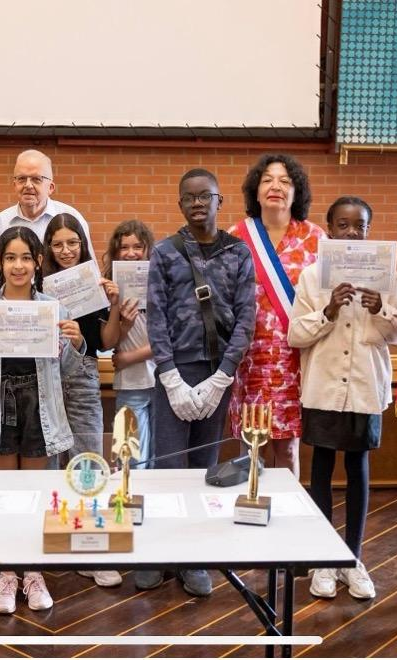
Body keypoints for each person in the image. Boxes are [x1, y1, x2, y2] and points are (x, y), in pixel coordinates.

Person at [0, 226, 85, 614]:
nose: (19, 265)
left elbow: (68, 369)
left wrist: (76, 343)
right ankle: (8, 572)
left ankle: (34, 573)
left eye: (26, 257)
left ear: (38, 262)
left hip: (39, 404)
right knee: (7, 496)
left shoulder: (53, 308)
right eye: (11, 258)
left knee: (37, 494)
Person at [138, 168, 256, 596]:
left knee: (205, 470)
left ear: (220, 200)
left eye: (205, 196)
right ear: (180, 204)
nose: (197, 203)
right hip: (175, 372)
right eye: (188, 197)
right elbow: (156, 314)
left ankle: (194, 560)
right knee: (168, 469)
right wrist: (169, 377)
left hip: (217, 374)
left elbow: (246, 318)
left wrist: (223, 376)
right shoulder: (166, 253)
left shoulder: (239, 253)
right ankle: (162, 554)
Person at [287, 197, 397, 600]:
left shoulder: (386, 277)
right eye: (343, 225)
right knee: (321, 467)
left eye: (360, 227)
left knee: (357, 467)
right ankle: (323, 560)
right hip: (323, 387)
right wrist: (327, 309)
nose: (352, 233)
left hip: (363, 388)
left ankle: (351, 558)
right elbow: (295, 336)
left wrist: (381, 312)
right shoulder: (310, 277)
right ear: (329, 229)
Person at [228, 154, 326, 480]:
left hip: (295, 359)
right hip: (250, 359)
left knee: (288, 448)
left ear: (297, 193)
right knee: (251, 444)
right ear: (255, 192)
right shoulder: (237, 238)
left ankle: (289, 517)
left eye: (285, 181)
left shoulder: (316, 239)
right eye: (268, 179)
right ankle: (250, 509)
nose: (276, 187)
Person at [42, 213, 123, 589]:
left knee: (88, 457)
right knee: (47, 463)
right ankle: (55, 542)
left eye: (72, 243)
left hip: (84, 373)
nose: (65, 251)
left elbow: (106, 341)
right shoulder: (37, 285)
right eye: (57, 244)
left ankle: (93, 549)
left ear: (82, 244)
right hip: (43, 378)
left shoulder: (93, 283)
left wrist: (114, 304)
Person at [103, 219, 157, 468]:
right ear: (115, 251)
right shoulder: (109, 287)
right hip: (130, 383)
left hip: (163, 382)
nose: (131, 253)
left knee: (158, 458)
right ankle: (127, 502)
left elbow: (172, 338)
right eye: (124, 247)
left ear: (148, 250)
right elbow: (108, 341)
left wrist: (129, 357)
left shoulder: (160, 282)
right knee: (129, 458)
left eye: (138, 246)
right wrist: (121, 321)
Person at [0, 149, 95, 257]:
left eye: (36, 179)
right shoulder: (1, 222)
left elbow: (89, 268)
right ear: (15, 185)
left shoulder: (72, 217)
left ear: (50, 187)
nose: (28, 185)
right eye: (21, 178)